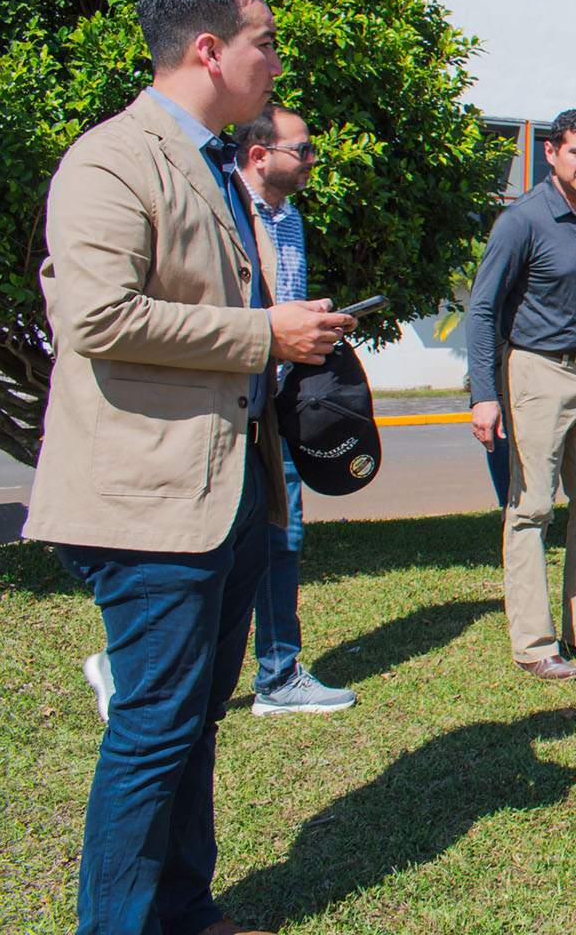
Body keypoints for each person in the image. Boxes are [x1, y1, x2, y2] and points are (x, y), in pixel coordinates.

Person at [26, 0, 353, 935]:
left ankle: (181, 910)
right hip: (147, 498)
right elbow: (97, 316)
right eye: (265, 43)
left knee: (189, 725)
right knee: (152, 730)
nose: (277, 62)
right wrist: (262, 335)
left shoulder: (209, 163)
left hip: (223, 493)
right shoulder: (110, 160)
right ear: (208, 50)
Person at [466, 108, 576, 680]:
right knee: (532, 508)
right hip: (537, 372)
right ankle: (536, 644)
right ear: (550, 153)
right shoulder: (522, 220)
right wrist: (484, 395)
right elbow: (483, 308)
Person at [235, 105, 358, 713]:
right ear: (261, 155)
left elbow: (277, 306)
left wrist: (313, 316)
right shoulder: (226, 212)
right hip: (225, 406)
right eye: (302, 150)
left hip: (276, 406)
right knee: (206, 547)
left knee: (282, 537)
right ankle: (135, 665)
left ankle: (278, 675)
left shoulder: (290, 220)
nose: (312, 161)